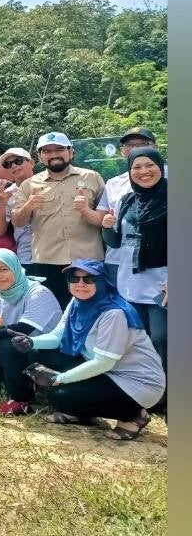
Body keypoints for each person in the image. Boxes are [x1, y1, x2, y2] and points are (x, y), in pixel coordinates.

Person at [8, 259, 164, 440]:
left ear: (103, 281)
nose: (80, 284)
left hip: (136, 382)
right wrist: (31, 342)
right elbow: (57, 337)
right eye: (74, 279)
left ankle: (133, 415)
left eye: (89, 279)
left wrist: (59, 379)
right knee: (39, 352)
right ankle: (81, 412)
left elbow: (104, 362)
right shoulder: (77, 301)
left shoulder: (113, 313)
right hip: (106, 372)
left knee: (59, 397)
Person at [0, 248, 63, 416]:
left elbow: (24, 329)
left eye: (4, 269)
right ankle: (18, 383)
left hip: (48, 351)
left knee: (6, 344)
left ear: (15, 268)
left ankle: (21, 399)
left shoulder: (37, 292)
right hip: (22, 350)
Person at [11, 132, 105, 308]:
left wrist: (86, 210)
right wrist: (29, 205)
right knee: (56, 310)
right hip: (48, 261)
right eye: (47, 151)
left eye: (59, 149)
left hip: (88, 259)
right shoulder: (29, 185)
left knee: (94, 308)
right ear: (39, 156)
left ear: (71, 151)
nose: (54, 154)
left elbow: (106, 217)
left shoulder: (92, 177)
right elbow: (18, 221)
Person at [101, 147, 167, 379]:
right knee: (140, 337)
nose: (143, 171)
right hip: (130, 282)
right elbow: (116, 242)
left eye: (150, 165)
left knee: (163, 337)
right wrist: (107, 226)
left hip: (163, 282)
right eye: (136, 167)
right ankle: (148, 387)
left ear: (161, 166)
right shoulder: (127, 200)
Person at [97, 127, 167, 285]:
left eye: (142, 144)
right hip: (122, 264)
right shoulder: (121, 192)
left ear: (154, 148)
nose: (144, 171)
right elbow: (113, 234)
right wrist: (103, 224)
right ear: (122, 151)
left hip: (162, 271)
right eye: (129, 145)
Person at [0, 147, 36, 275]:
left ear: (31, 162)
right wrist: (2, 205)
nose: (13, 166)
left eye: (18, 161)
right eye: (8, 164)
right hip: (27, 256)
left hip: (57, 253)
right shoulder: (5, 194)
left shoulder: (49, 184)